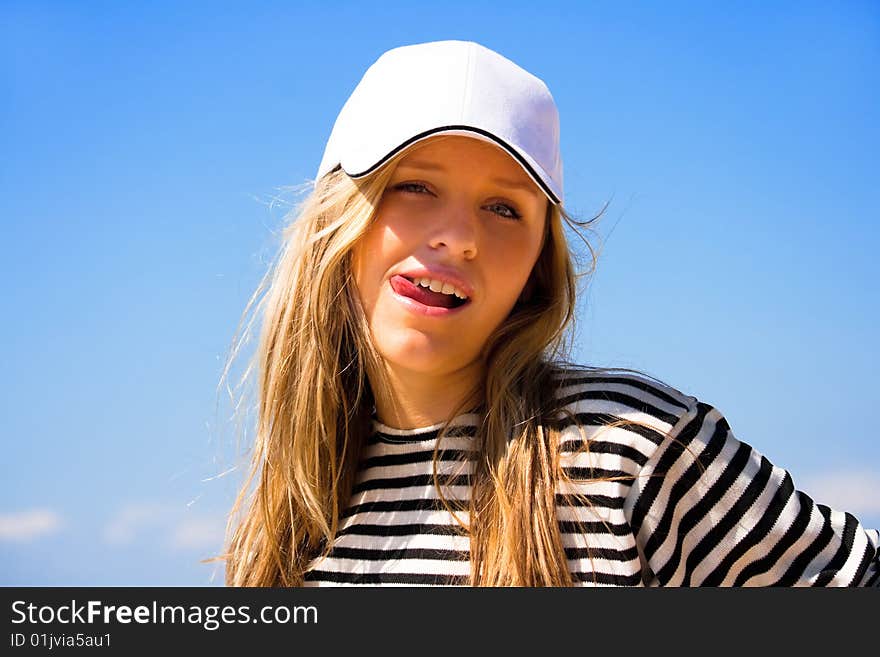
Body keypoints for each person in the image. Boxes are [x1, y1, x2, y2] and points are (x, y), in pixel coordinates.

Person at [219, 40, 879, 587]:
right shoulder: (288, 519)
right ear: (339, 216)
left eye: (504, 207)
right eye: (415, 185)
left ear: (538, 263)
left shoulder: (631, 448)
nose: (459, 235)